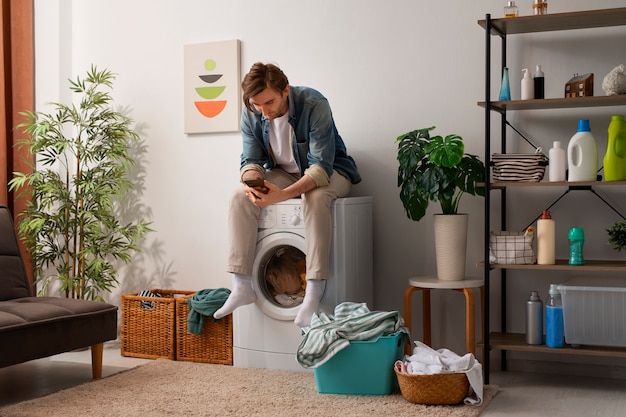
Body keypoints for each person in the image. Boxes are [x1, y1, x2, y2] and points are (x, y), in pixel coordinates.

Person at [213, 62, 361, 328]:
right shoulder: (252, 111)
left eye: (269, 103)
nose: (263, 111)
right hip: (284, 172)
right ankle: (242, 285)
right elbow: (250, 160)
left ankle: (314, 294)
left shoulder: (314, 103)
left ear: (285, 90)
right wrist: (252, 183)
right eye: (257, 105)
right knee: (238, 196)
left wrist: (281, 196)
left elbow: (320, 169)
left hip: (333, 171)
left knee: (315, 198)